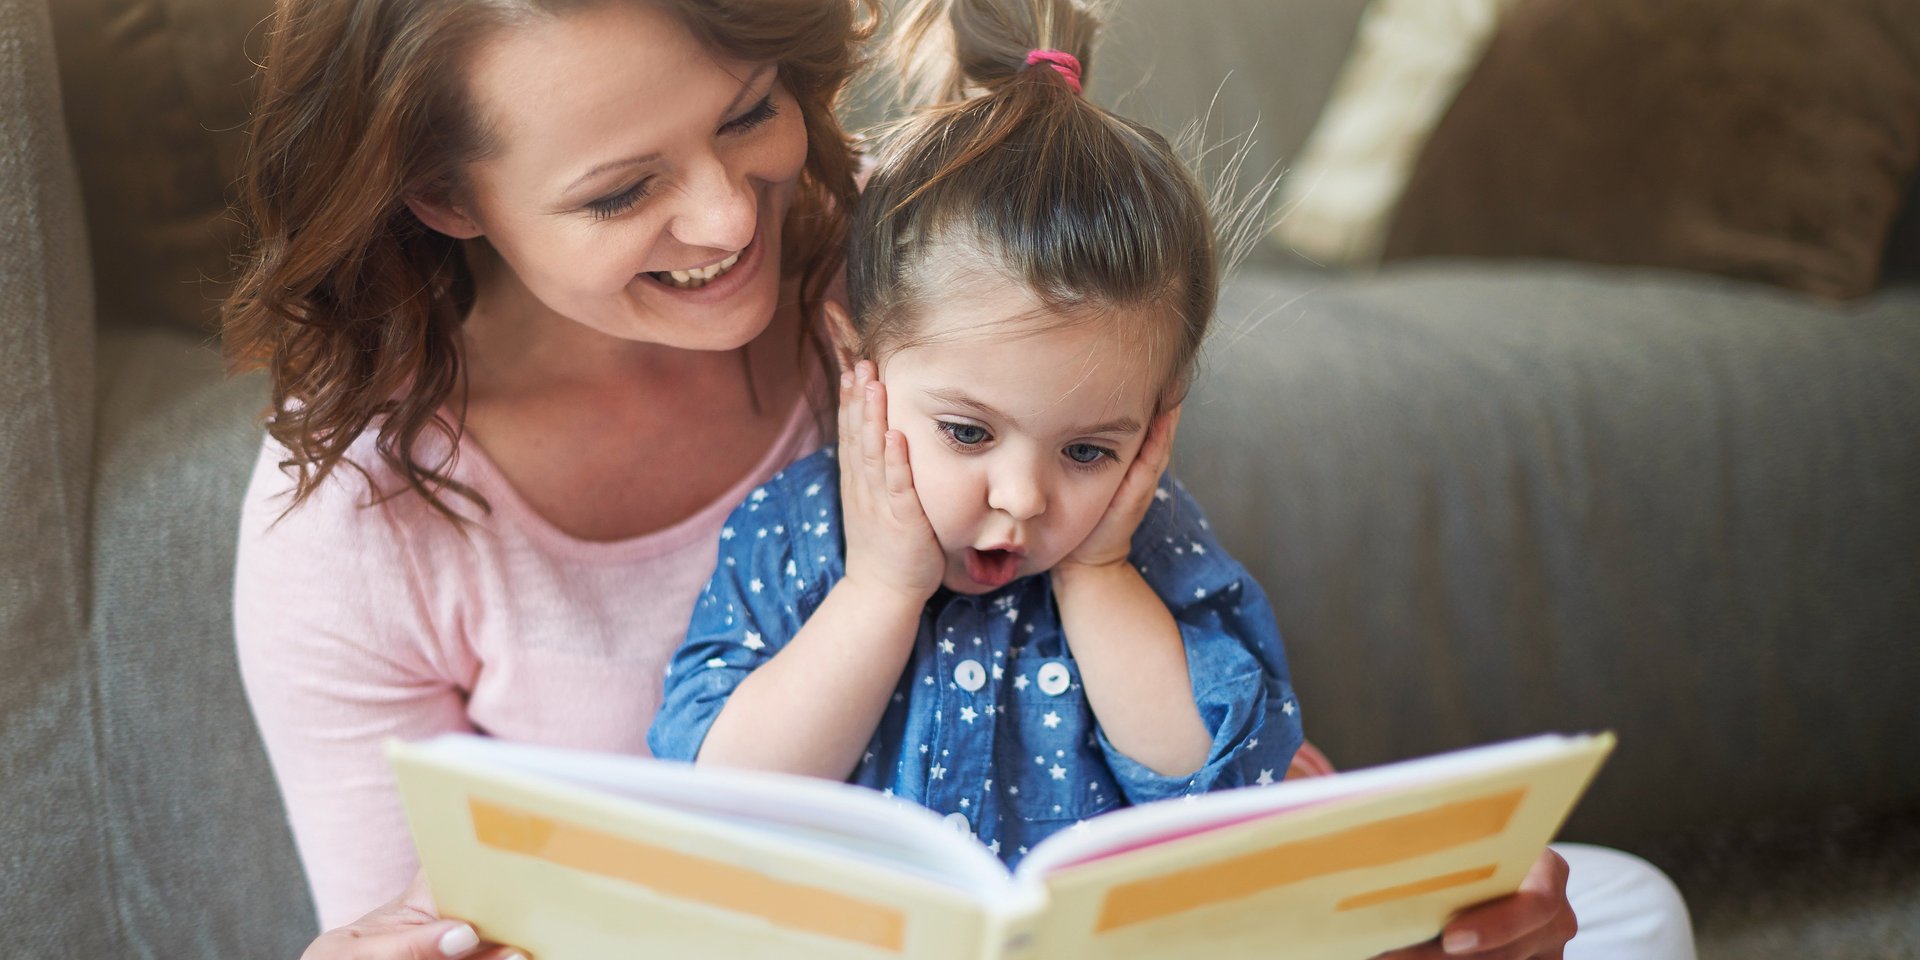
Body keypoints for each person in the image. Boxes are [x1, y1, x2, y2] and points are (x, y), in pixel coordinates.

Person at [223, 0, 1689, 956]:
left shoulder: (923, 276)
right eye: (621, 191)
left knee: (1619, 909)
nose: (731, 215)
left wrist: (1394, 895)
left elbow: (1174, 707)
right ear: (442, 195)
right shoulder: (356, 525)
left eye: (746, 114)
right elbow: (397, 919)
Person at [647, 0, 1304, 867]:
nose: (1024, 497)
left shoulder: (1145, 543)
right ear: (860, 365)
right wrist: (882, 589)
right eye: (966, 432)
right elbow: (720, 798)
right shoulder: (796, 531)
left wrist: (1098, 575)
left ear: (1157, 418)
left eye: (1087, 451)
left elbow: (1209, 782)